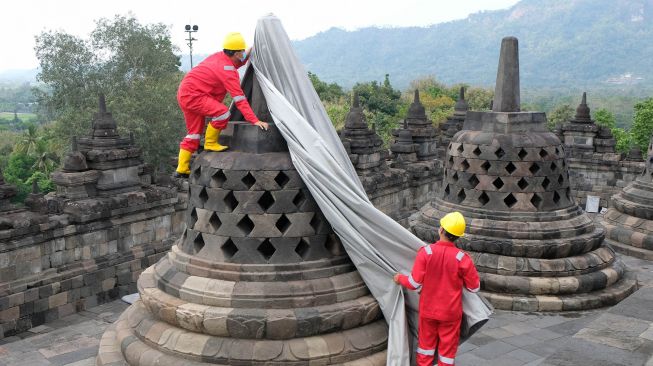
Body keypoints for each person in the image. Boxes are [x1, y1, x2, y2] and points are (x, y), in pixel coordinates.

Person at [175, 32, 269, 177]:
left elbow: (235, 62)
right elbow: (240, 99)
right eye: (242, 51)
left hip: (185, 93)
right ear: (237, 53)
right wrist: (254, 120)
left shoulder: (220, 57)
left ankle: (181, 169)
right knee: (222, 113)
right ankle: (210, 143)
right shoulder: (227, 71)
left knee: (193, 133)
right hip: (195, 95)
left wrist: (248, 54)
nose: (244, 53)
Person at [394, 211, 480, 366]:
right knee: (447, 354)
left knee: (425, 349)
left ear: (441, 230)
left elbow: (414, 283)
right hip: (451, 314)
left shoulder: (426, 252)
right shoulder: (462, 258)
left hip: (428, 311)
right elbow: (474, 288)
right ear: (458, 236)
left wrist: (399, 278)